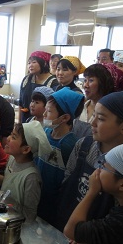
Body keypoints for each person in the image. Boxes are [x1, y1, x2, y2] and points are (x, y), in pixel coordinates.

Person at [56, 90, 123, 232]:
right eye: (94, 115)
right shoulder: (84, 145)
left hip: (97, 235)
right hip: (67, 220)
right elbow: (67, 178)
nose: (92, 122)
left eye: (101, 119)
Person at [36, 87, 85, 227]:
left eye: (49, 111)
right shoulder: (45, 132)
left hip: (53, 203)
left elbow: (69, 181)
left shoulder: (69, 144)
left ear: (65, 117)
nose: (44, 114)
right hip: (38, 194)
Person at [0, 121, 52, 223]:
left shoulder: (31, 177)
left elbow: (29, 215)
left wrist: (8, 201)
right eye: (11, 134)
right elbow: (10, 185)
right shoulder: (11, 159)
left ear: (26, 149)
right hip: (4, 217)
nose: (8, 138)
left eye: (14, 137)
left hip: (16, 226)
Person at [72, 64, 116, 140]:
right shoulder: (80, 105)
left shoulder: (111, 111)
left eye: (91, 80)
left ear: (102, 83)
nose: (85, 85)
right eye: (85, 80)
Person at [19, 51, 58, 123]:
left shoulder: (53, 83)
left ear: (44, 63)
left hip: (43, 123)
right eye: (29, 63)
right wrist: (19, 123)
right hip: (26, 120)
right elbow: (21, 103)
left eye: (34, 62)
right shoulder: (26, 79)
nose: (30, 65)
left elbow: (53, 109)